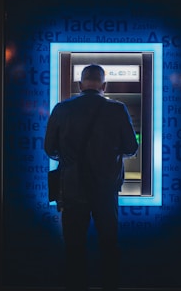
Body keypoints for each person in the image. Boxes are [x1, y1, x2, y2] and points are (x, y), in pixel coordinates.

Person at [44, 64, 139, 291]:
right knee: (109, 245)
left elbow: (49, 149)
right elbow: (131, 147)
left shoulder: (62, 109)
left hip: (72, 189)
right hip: (105, 190)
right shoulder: (118, 109)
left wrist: (67, 158)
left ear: (80, 85)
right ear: (104, 86)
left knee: (74, 247)